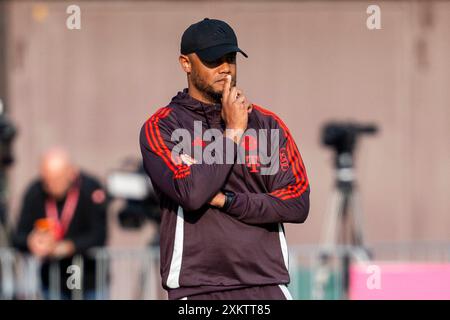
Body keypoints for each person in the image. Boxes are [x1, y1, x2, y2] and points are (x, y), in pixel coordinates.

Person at [139, 18, 310, 300]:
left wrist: (229, 201)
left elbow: (297, 203)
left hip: (266, 285)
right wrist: (233, 133)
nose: (225, 68)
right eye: (213, 59)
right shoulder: (162, 126)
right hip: (197, 290)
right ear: (186, 63)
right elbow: (192, 193)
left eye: (230, 58)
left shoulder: (267, 123)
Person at [13, 148, 108, 299]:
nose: (50, 185)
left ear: (71, 173)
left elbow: (99, 234)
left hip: (89, 279)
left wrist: (68, 247)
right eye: (47, 180)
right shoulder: (35, 192)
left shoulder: (90, 188)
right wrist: (31, 241)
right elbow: (18, 236)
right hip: (52, 282)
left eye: (56, 179)